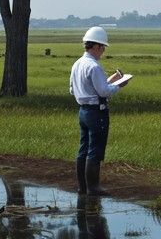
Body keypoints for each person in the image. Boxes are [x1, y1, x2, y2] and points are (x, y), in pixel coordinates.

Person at [69, 26, 128, 196]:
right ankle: (93, 188)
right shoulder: (94, 66)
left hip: (83, 111)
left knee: (83, 149)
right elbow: (103, 92)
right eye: (102, 47)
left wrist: (110, 81)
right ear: (96, 46)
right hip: (96, 112)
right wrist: (119, 85)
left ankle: (82, 187)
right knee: (95, 150)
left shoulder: (77, 64)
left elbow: (74, 90)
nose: (103, 51)